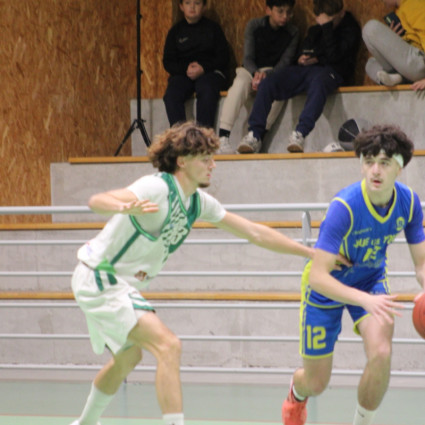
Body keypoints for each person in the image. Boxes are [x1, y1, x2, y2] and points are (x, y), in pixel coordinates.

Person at [69, 121, 321, 425]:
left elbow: (254, 232)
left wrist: (309, 253)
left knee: (128, 358)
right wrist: (124, 208)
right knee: (168, 346)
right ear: (182, 161)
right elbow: (97, 201)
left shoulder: (197, 203)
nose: (213, 165)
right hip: (99, 275)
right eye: (205, 159)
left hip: (113, 283)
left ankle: (84, 423)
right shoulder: (157, 187)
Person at [281, 124, 425, 425]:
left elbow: (421, 265)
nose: (375, 170)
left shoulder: (410, 203)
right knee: (316, 383)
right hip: (326, 288)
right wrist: (364, 300)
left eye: (384, 162)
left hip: (370, 280)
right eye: (369, 161)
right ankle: (296, 391)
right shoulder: (344, 207)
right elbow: (318, 277)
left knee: (381, 353)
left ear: (399, 167)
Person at [237, 0, 361, 154]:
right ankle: (254, 134)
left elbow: (336, 58)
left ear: (341, 13)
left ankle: (300, 133)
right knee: (269, 82)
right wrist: (302, 58)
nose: (326, 26)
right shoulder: (315, 29)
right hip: (306, 70)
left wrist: (325, 33)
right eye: (323, 22)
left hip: (332, 72)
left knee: (319, 81)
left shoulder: (350, 28)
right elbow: (307, 48)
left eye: (330, 22)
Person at [216, 0, 299, 154]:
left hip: (273, 73)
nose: (285, 16)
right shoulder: (254, 25)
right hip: (250, 70)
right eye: (280, 11)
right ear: (268, 10)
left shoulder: (292, 32)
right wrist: (256, 74)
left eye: (289, 12)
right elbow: (247, 57)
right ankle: (223, 137)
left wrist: (266, 75)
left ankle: (255, 137)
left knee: (279, 89)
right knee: (239, 83)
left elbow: (285, 62)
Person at [162, 0, 230, 129]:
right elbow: (168, 62)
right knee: (171, 95)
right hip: (183, 74)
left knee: (206, 89)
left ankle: (203, 137)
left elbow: (223, 57)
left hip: (209, 72)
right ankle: (181, 136)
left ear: (204, 7)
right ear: (181, 7)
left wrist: (203, 68)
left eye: (197, 3)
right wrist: (185, 69)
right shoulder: (175, 31)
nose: (192, 7)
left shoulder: (213, 28)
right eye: (188, 3)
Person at [362, 0, 425, 90]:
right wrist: (394, 38)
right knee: (371, 64)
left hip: (420, 63)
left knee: (370, 28)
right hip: (407, 68)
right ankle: (398, 78)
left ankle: (398, 77)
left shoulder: (414, 3)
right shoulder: (399, 10)